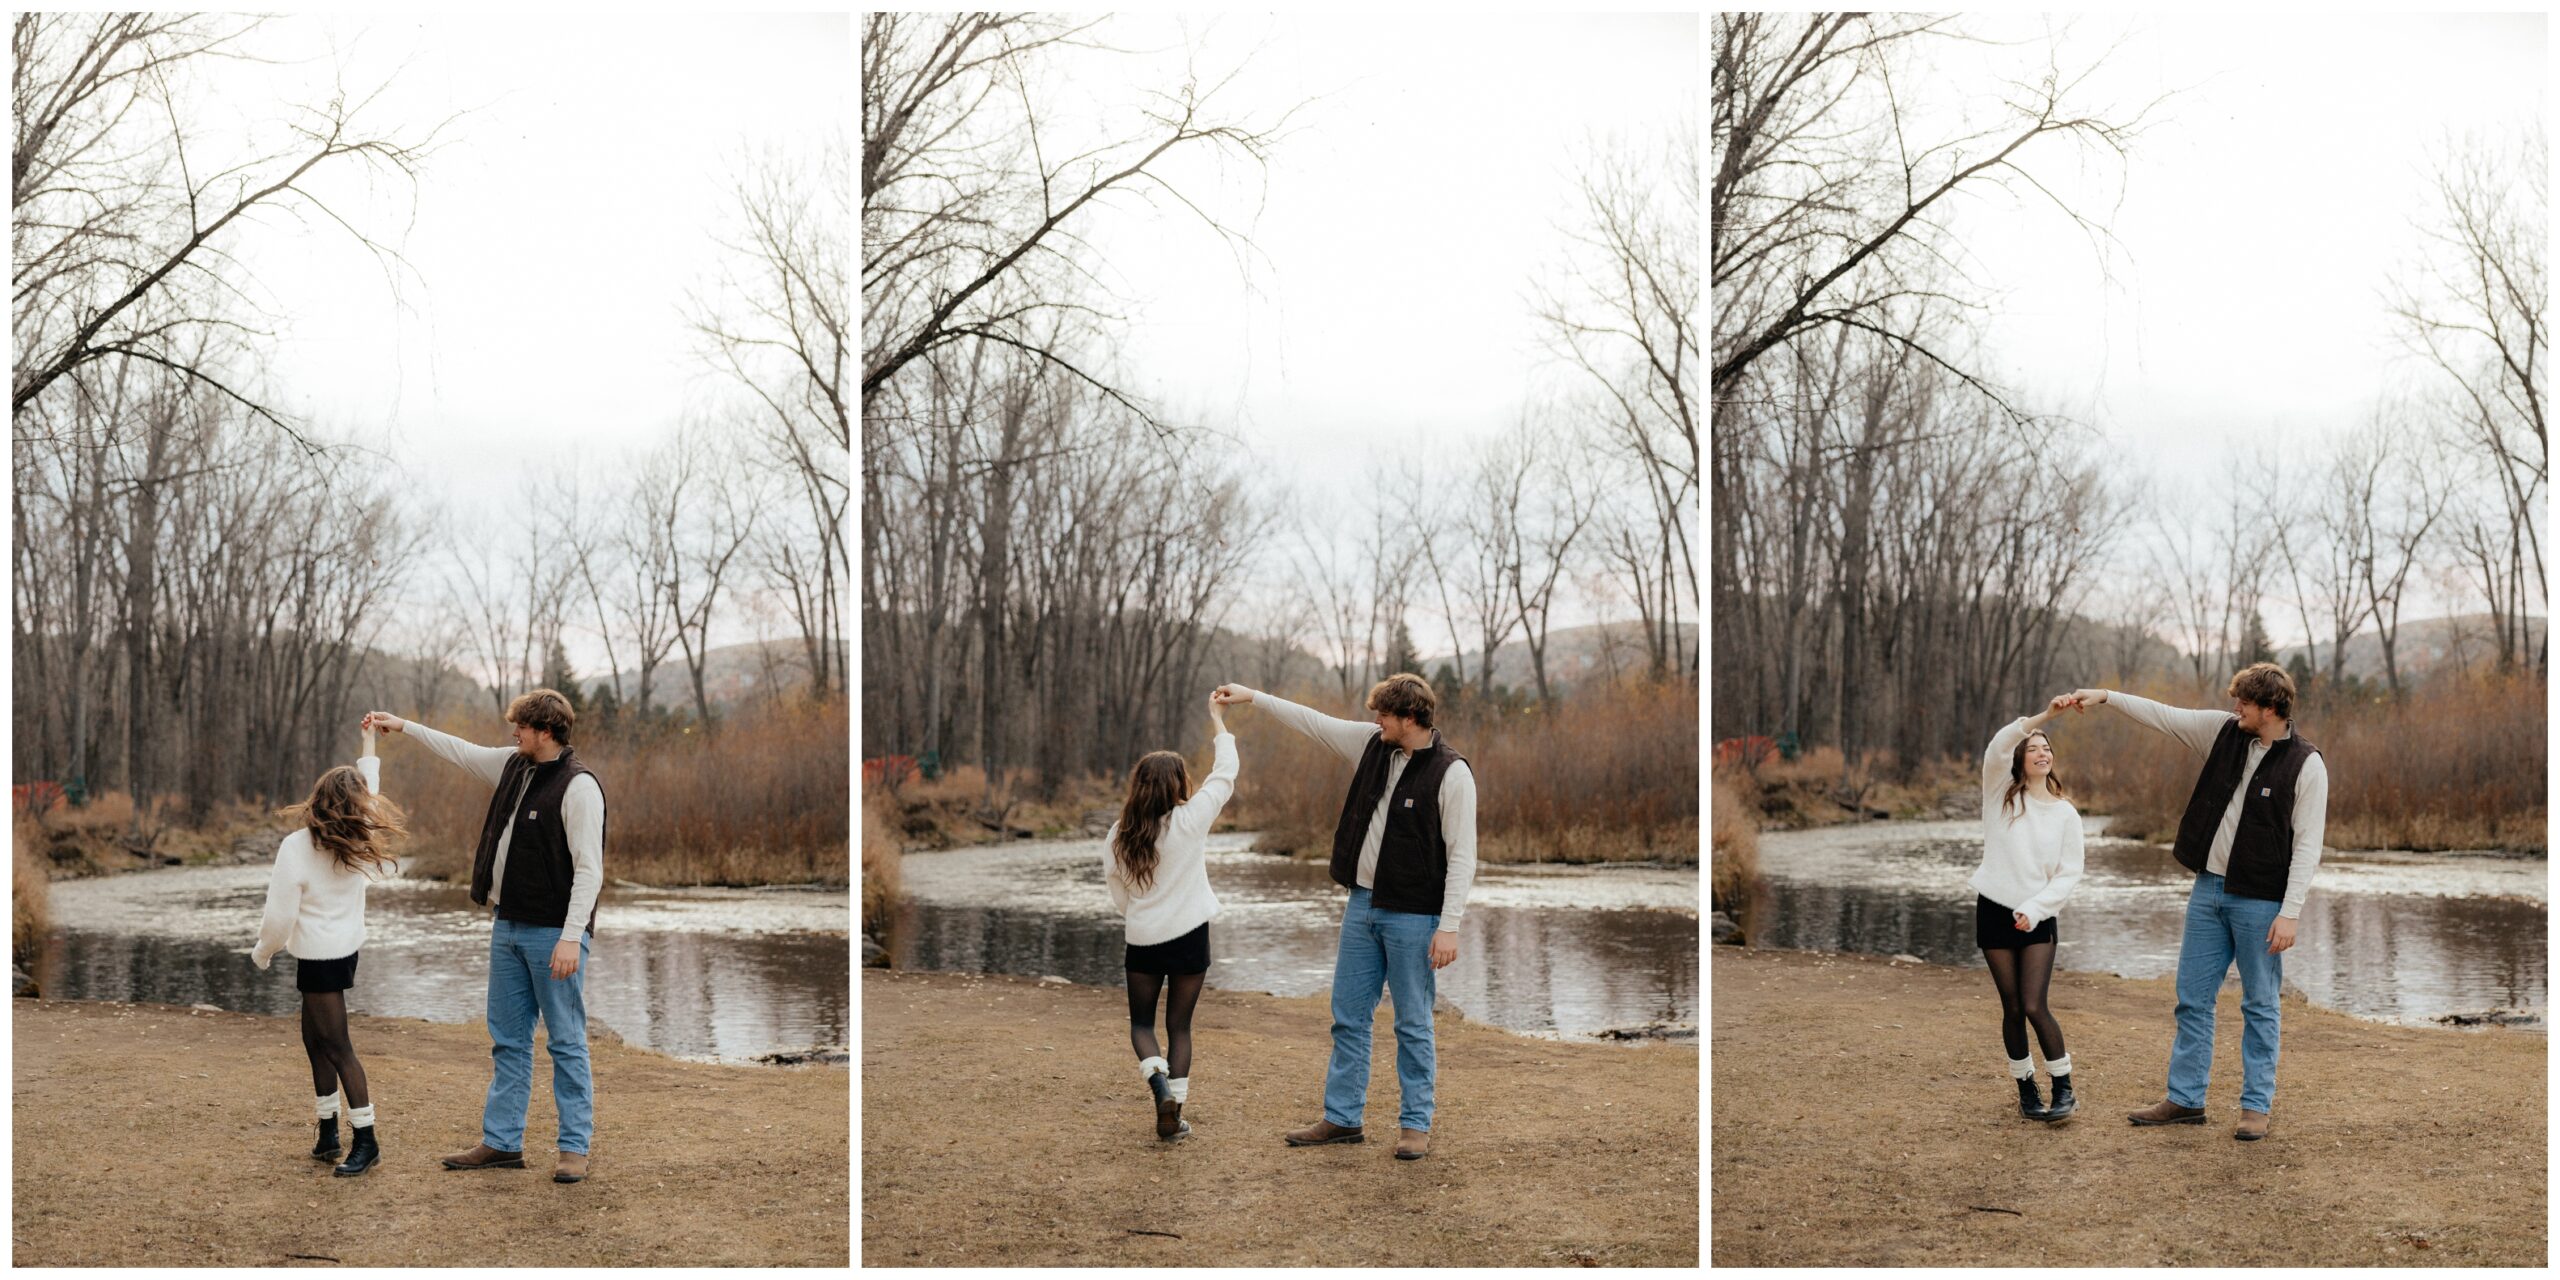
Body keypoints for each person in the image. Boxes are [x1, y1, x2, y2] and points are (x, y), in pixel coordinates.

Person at [1212, 673, 1476, 1162]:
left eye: (1384, 715)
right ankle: (1343, 1119)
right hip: (1362, 906)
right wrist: (1255, 698)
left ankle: (1415, 1125)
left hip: (1415, 917)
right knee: (1347, 1017)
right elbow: (1313, 723)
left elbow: (1463, 856)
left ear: (1410, 717)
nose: (1375, 721)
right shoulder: (1371, 744)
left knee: (1413, 1023)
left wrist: (1450, 925)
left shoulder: (1451, 773)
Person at [2069, 662, 2329, 1142]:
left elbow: (2309, 846)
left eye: (2244, 704)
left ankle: (2255, 1108)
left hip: (2262, 902)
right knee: (2192, 999)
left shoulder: (2306, 764)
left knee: (2260, 1005)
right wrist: (2106, 695)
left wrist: (2290, 913)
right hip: (2208, 890)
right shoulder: (2223, 732)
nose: (2235, 710)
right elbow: (2163, 715)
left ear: (2271, 709)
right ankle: (2186, 1100)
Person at [362, 690, 606, 1183]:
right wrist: (403, 725)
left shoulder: (579, 787)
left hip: (553, 935)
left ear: (545, 730)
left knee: (566, 1043)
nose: (513, 733)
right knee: (508, 1042)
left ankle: (573, 1149)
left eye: (521, 726)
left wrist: (570, 937)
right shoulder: (512, 765)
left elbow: (590, 871)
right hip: (507, 926)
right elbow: (459, 750)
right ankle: (502, 1143)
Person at [253, 723, 406, 1177]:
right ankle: (327, 1133)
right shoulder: (358, 834)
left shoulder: (298, 847)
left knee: (337, 1047)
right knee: (313, 1040)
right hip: (342, 953)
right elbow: (371, 789)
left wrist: (263, 952)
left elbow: (279, 919)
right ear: (354, 803)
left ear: (318, 799)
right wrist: (368, 745)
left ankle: (367, 1140)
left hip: (320, 958)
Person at [1102, 692, 1240, 1142]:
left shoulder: (1118, 835)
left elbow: (1118, 894)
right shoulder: (1190, 819)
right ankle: (1174, 1111)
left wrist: (1142, 917)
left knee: (1141, 1025)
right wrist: (1217, 721)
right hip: (1189, 939)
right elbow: (1226, 774)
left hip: (1142, 940)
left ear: (1138, 784)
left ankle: (1158, 1087)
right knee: (1178, 1026)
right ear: (1180, 782)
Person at [1970, 694, 2088, 1123]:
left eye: (2047, 748)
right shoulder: (1999, 793)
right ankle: (2026, 1089)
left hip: (2037, 918)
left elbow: (2068, 874)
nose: (2042, 752)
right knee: (2013, 1007)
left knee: (2035, 1004)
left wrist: (2036, 909)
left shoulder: (2065, 815)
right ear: (2019, 760)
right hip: (1994, 909)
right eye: (2033, 748)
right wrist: (2045, 718)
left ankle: (2063, 1088)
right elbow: (1997, 745)